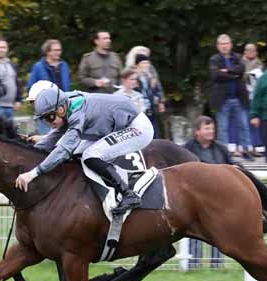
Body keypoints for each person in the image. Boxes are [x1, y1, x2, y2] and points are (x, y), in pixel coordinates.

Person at [15, 88, 154, 215]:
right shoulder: (66, 105)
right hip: (116, 126)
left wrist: (33, 173)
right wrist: (26, 149)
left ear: (61, 109)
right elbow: (52, 140)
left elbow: (63, 150)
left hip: (137, 127)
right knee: (77, 153)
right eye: (44, 119)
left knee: (90, 155)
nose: (48, 123)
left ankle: (128, 194)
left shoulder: (76, 115)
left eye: (49, 117)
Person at [184, 116, 234, 268]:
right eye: (207, 128)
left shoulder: (222, 149)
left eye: (212, 128)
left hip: (217, 199)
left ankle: (217, 264)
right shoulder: (186, 149)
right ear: (197, 131)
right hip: (194, 200)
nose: (211, 131)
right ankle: (194, 263)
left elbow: (232, 169)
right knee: (194, 231)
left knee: (218, 231)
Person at [207, 34, 252, 159]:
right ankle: (224, 154)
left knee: (243, 126)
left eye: (226, 43)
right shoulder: (214, 59)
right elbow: (216, 75)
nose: (225, 46)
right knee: (223, 129)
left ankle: (246, 151)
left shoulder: (237, 57)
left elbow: (241, 69)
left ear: (231, 44)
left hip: (239, 98)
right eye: (222, 44)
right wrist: (233, 74)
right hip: (223, 100)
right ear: (218, 46)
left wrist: (226, 71)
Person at [27, 39, 70, 132]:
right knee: (45, 138)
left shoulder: (64, 65)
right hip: (46, 110)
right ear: (47, 51)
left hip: (62, 108)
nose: (58, 52)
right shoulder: (38, 67)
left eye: (59, 50)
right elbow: (30, 88)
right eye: (55, 50)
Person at [0, 37, 22, 119]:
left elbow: (16, 83)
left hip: (11, 107)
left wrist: (18, 100)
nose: (1, 50)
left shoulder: (11, 64)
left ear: (7, 49)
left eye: (3, 47)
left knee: (10, 131)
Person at [134, 54, 165, 138]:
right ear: (137, 65)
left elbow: (157, 91)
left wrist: (159, 101)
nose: (146, 65)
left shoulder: (150, 78)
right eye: (143, 63)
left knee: (154, 134)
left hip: (151, 110)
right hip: (140, 111)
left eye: (147, 63)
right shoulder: (134, 78)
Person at [243, 43, 264, 155]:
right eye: (248, 50)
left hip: (256, 97)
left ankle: (256, 147)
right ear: (245, 52)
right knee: (245, 123)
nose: (251, 53)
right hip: (244, 97)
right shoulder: (240, 62)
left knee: (256, 124)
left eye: (253, 50)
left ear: (256, 52)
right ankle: (246, 147)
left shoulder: (259, 63)